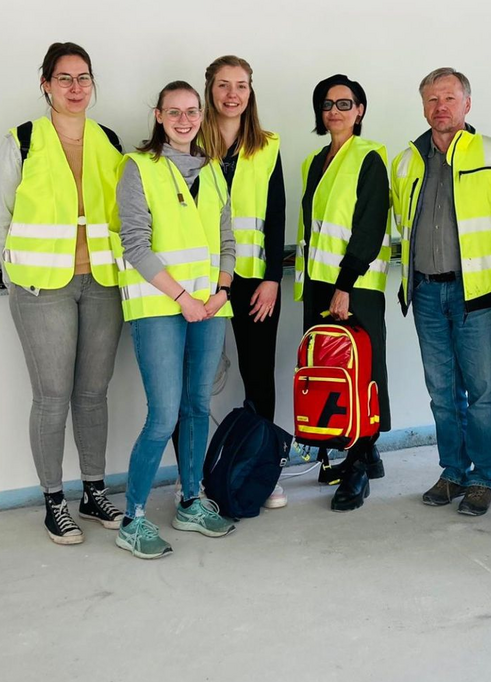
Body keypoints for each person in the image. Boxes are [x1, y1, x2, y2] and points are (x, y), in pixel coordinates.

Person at [0, 42, 125, 545]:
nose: (75, 87)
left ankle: (93, 491)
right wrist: (21, 272)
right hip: (43, 287)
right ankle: (53, 500)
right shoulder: (22, 140)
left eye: (83, 77)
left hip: (103, 284)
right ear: (45, 83)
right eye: (64, 78)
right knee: (51, 398)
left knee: (93, 395)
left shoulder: (109, 140)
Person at [391, 67, 491, 516]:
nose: (440, 107)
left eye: (449, 98)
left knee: (484, 390)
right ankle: (453, 470)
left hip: (479, 296)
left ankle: (483, 477)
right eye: (431, 100)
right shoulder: (407, 161)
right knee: (441, 391)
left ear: (467, 104)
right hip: (427, 293)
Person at [112, 80, 236, 559]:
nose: (184, 120)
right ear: (159, 116)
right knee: (163, 414)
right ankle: (133, 518)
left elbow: (226, 239)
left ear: (200, 116)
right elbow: (136, 245)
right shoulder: (138, 168)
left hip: (208, 307)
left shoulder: (213, 171)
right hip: (160, 308)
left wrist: (222, 289)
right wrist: (184, 297)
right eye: (174, 112)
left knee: (197, 406)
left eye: (191, 111)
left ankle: (190, 501)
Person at [295, 74, 391, 512]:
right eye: (328, 103)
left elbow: (369, 226)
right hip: (319, 284)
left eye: (345, 103)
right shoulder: (314, 161)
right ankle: (361, 451)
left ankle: (356, 465)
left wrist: (344, 286)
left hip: (354, 287)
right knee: (332, 370)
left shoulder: (368, 157)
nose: (335, 110)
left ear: (361, 111)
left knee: (361, 374)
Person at [200, 55, 288, 510]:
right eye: (222, 85)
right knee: (197, 380)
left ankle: (262, 471)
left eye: (241, 85)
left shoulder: (268, 145)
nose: (232, 94)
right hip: (202, 280)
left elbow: (275, 219)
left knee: (259, 376)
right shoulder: (190, 138)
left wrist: (273, 279)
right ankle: (193, 477)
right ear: (209, 89)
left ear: (251, 91)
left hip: (254, 280)